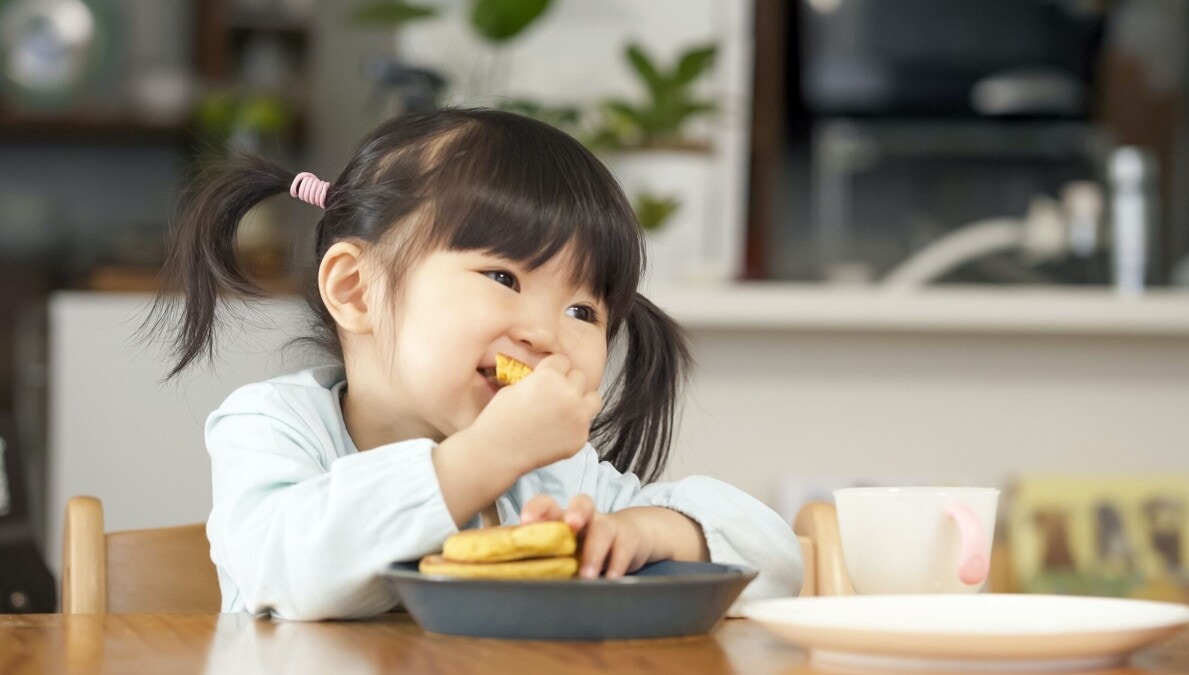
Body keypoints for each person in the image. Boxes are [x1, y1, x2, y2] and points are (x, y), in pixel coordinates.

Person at [148, 108, 804, 620]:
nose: (546, 333)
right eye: (503, 276)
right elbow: (289, 569)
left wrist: (648, 531)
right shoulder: (274, 426)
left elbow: (776, 559)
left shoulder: (551, 477)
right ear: (356, 289)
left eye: (583, 312)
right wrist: (483, 456)